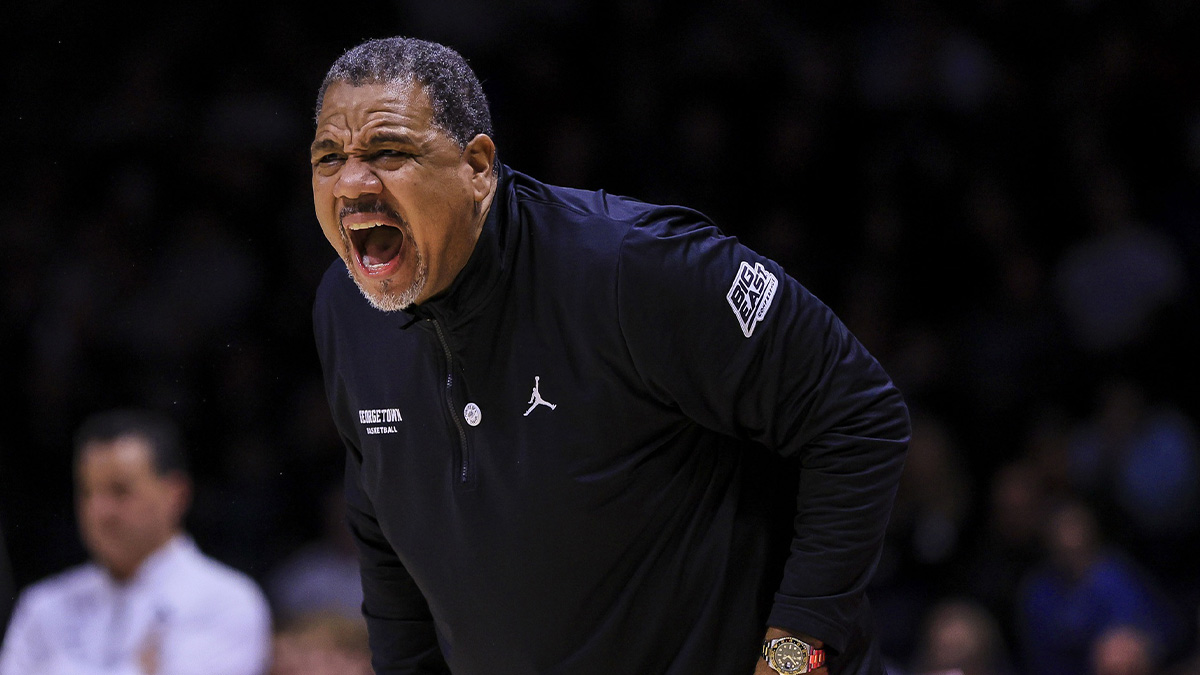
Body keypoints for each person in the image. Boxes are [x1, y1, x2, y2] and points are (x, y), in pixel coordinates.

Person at [310, 37, 910, 674]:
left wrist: (795, 658)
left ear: (479, 166)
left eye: (389, 153)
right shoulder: (346, 308)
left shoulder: (635, 267)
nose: (351, 182)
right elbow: (384, 537)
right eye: (328, 158)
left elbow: (857, 416)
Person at [0, 409, 272, 675]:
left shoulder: (225, 601)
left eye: (120, 491)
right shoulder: (43, 604)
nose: (99, 511)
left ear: (176, 495)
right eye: (87, 492)